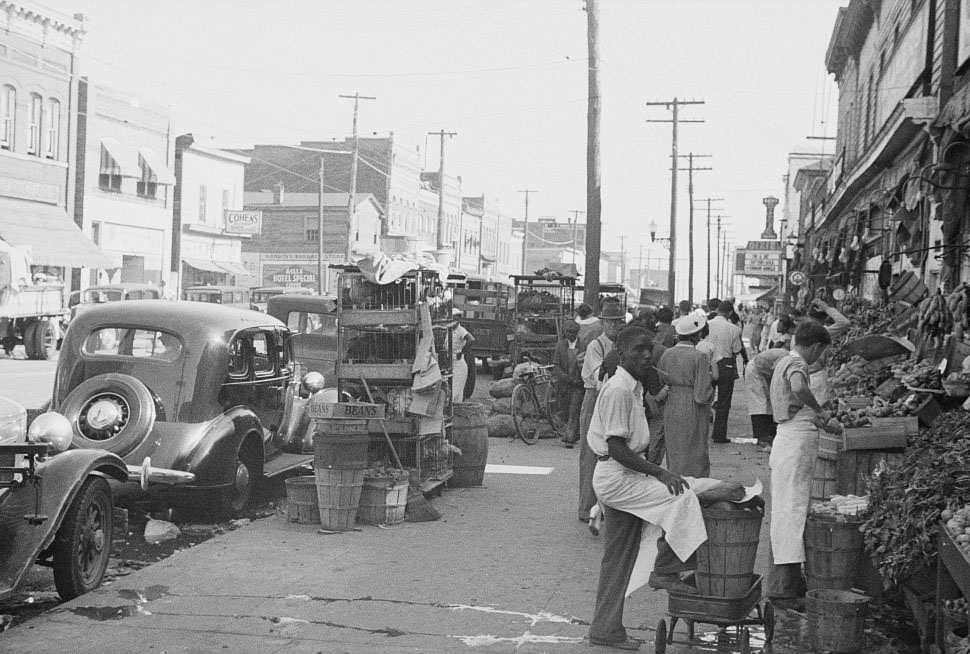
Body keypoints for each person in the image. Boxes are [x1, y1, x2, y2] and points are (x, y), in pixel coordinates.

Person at [587, 325, 742, 650]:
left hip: (622, 475)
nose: (645, 355)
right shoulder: (617, 389)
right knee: (682, 495)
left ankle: (606, 628)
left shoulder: (632, 385)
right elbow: (616, 447)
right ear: (621, 352)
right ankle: (667, 568)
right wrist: (660, 473)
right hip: (618, 477)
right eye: (637, 351)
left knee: (619, 559)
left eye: (649, 349)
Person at [766, 320, 834, 608]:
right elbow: (797, 386)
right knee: (792, 511)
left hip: (788, 440)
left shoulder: (783, 359)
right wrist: (817, 407)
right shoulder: (799, 366)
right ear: (817, 347)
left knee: (789, 509)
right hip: (795, 441)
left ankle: (789, 581)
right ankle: (783, 589)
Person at [577, 299, 626, 523]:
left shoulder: (622, 346)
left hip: (615, 399)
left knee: (615, 454)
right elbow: (599, 378)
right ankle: (586, 508)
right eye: (611, 323)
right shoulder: (596, 345)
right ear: (603, 323)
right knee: (591, 453)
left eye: (618, 323)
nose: (615, 327)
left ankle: (609, 508)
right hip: (595, 399)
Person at [657, 312, 714, 478]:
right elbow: (702, 394)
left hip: (671, 403)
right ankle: (695, 486)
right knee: (695, 448)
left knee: (674, 447)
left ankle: (675, 481)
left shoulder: (667, 354)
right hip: (692, 405)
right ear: (696, 335)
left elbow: (661, 379)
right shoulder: (699, 357)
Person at [705, 300, 746, 444]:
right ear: (730, 313)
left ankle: (701, 433)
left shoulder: (706, 324)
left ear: (717, 310)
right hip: (725, 366)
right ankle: (719, 435)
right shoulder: (734, 329)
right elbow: (736, 349)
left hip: (707, 364)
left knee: (704, 399)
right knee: (723, 402)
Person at [744, 346, 790, 451]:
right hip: (755, 370)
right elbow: (775, 373)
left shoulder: (788, 357)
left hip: (763, 372)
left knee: (769, 403)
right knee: (759, 403)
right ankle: (761, 435)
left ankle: (769, 433)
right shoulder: (785, 359)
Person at [551, 320, 584, 448]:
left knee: (574, 410)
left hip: (578, 384)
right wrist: (565, 377)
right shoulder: (560, 346)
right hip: (564, 385)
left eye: (573, 332)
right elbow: (556, 365)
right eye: (568, 331)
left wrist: (578, 379)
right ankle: (571, 434)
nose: (570, 334)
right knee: (564, 410)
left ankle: (569, 438)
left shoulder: (583, 346)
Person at [451, 311, 475, 403]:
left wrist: (462, 352)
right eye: (453, 318)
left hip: (458, 364)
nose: (455, 321)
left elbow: (471, 340)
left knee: (456, 389)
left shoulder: (461, 330)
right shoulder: (450, 330)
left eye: (457, 319)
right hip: (451, 362)